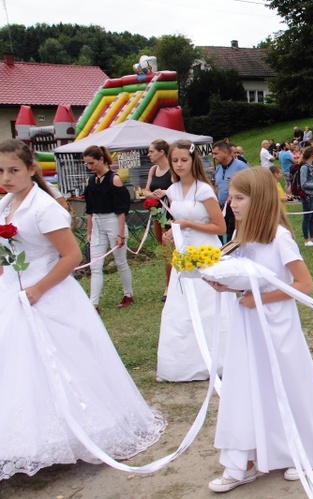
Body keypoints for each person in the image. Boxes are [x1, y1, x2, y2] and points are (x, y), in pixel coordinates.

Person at [0, 139, 165, 480]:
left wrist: (38, 289)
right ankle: (25, 439)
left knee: (62, 362)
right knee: (18, 366)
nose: (6, 177)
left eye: (13, 170)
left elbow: (72, 256)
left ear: (32, 169)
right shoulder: (4, 206)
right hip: (12, 292)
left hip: (47, 293)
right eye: (1, 171)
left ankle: (79, 431)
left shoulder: (43, 208)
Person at [206, 167, 313, 493]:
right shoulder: (240, 238)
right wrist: (226, 287)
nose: (231, 203)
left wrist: (262, 298)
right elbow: (244, 277)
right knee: (246, 387)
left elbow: (304, 284)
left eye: (239, 198)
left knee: (284, 385)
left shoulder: (280, 237)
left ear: (260, 199)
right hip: (247, 325)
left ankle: (300, 450)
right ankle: (243, 459)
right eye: (231, 197)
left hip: (277, 325)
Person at [158, 140, 228, 382]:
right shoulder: (172, 191)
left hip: (206, 250)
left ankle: (219, 358)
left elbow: (220, 226)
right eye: (174, 160)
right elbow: (176, 220)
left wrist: (188, 224)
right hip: (185, 253)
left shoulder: (204, 190)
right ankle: (186, 361)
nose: (179, 165)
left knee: (209, 303)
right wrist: (171, 233)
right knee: (182, 306)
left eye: (183, 160)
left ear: (192, 161)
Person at [82, 145, 134, 312]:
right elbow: (89, 209)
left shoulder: (114, 179)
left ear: (101, 159)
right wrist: (88, 232)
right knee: (95, 265)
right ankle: (93, 304)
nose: (90, 167)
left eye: (92, 163)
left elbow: (122, 210)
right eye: (87, 164)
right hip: (97, 222)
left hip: (113, 220)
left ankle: (128, 294)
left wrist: (120, 234)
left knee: (120, 261)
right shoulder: (91, 181)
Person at [144, 138, 173, 301]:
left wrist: (165, 192)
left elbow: (178, 188)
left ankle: (170, 286)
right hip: (157, 213)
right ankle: (168, 282)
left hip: (170, 212)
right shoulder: (153, 169)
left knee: (171, 248)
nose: (149, 154)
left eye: (151, 151)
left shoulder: (172, 169)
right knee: (164, 249)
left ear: (161, 152)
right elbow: (146, 190)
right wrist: (153, 194)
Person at [212, 140, 249, 242]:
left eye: (216, 153)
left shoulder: (241, 166)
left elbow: (251, 186)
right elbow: (217, 186)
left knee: (233, 238)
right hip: (222, 209)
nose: (214, 157)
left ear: (225, 152)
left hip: (236, 209)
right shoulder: (218, 169)